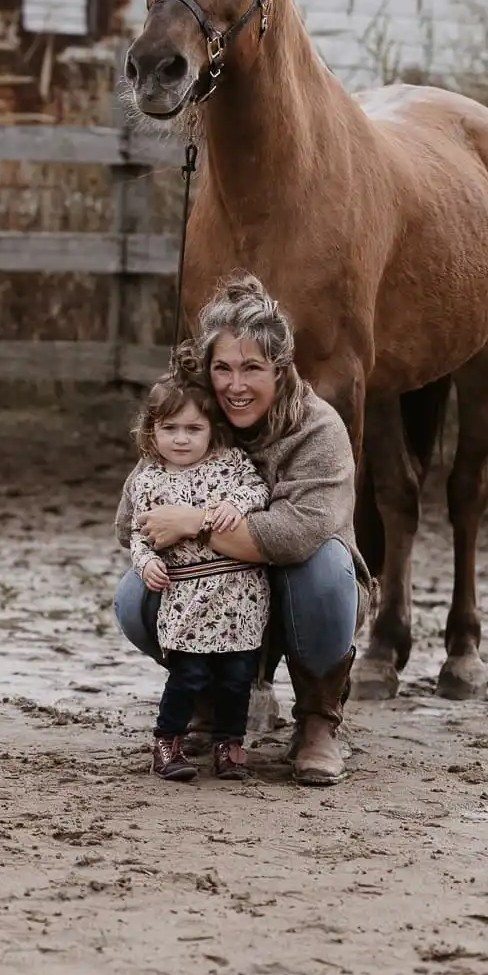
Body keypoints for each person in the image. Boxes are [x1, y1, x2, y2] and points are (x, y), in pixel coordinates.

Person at [114, 274, 369, 786]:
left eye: (252, 368)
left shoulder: (318, 428)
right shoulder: (194, 419)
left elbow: (293, 535)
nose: (235, 385)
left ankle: (318, 718)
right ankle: (206, 693)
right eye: (223, 368)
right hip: (219, 596)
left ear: (281, 368)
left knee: (319, 569)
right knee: (135, 597)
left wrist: (194, 522)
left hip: (303, 592)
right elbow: (133, 521)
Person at [116, 372, 271, 782]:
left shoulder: (230, 465)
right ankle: (168, 740)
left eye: (193, 429)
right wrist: (145, 561)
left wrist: (236, 503)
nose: (181, 439)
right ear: (152, 430)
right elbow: (138, 533)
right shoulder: (149, 479)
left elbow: (259, 489)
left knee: (238, 676)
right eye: (170, 429)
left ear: (211, 431)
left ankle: (229, 743)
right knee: (190, 674)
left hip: (239, 595)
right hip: (186, 596)